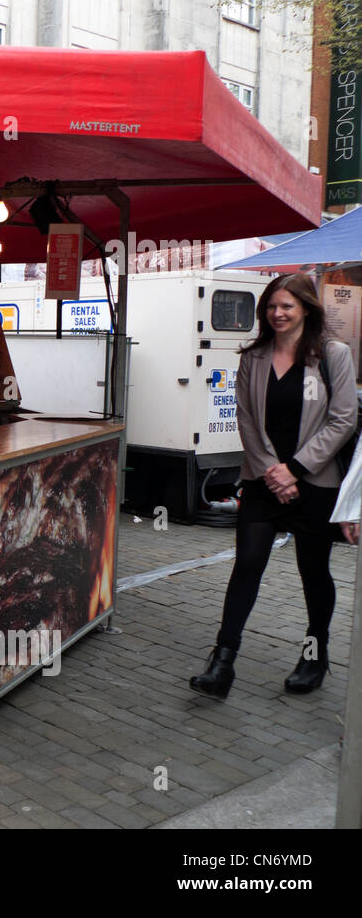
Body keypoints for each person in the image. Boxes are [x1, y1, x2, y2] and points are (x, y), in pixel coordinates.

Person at [190, 274, 356, 699]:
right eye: (271, 307)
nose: (278, 314)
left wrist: (295, 469)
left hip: (316, 484)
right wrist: (273, 472)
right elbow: (246, 419)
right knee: (246, 564)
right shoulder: (254, 357)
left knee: (313, 572)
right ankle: (222, 662)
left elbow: (343, 419)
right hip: (263, 482)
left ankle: (315, 655)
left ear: (306, 308)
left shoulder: (333, 355)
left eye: (287, 306)